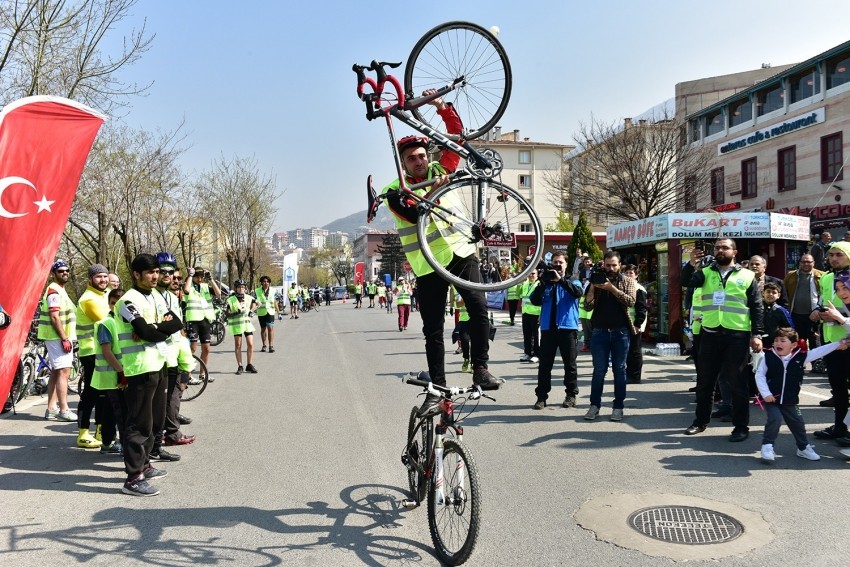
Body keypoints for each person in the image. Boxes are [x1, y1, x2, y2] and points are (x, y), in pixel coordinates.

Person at [378, 90, 503, 417]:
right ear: (403, 164)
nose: (419, 161)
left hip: (461, 252)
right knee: (432, 328)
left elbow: (457, 141)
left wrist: (440, 107)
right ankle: (437, 388)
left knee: (478, 309)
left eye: (422, 156)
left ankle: (481, 369)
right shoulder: (393, 191)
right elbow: (415, 214)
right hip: (427, 266)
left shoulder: (438, 168)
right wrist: (435, 188)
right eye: (412, 159)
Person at [115, 253, 184, 496]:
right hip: (140, 367)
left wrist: (155, 327)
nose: (156, 276)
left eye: (157, 271)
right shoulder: (126, 301)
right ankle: (133, 478)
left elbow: (176, 322)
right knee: (138, 424)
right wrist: (155, 328)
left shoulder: (156, 295)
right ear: (136, 274)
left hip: (159, 363)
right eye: (150, 272)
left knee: (154, 420)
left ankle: (145, 465)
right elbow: (144, 332)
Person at [682, 238, 764, 442]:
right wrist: (691, 264)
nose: (721, 250)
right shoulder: (706, 272)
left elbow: (756, 306)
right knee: (705, 382)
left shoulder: (747, 275)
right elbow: (686, 283)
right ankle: (700, 421)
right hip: (710, 333)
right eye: (718, 247)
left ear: (734, 252)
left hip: (737, 334)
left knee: (738, 383)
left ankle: (741, 427)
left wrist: (757, 334)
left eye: (725, 247)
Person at [756, 327, 849, 463]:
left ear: (793, 345)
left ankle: (803, 447)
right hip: (771, 399)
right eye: (776, 340)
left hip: (790, 400)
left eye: (783, 341)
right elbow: (760, 375)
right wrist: (766, 394)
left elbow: (819, 351)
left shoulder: (801, 356)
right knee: (774, 420)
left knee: (798, 423)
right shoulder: (768, 356)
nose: (778, 344)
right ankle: (767, 446)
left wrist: (837, 344)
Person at [583, 251, 636, 421]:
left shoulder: (627, 281)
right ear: (603, 264)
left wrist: (611, 288)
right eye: (608, 265)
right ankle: (594, 406)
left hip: (621, 332)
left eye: (614, 265)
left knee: (619, 370)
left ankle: (618, 407)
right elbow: (588, 306)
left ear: (620, 265)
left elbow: (631, 301)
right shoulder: (596, 280)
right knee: (599, 370)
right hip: (599, 332)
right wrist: (592, 286)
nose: (611, 268)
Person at [152, 255, 195, 459]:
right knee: (158, 404)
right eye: (163, 271)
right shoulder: (150, 295)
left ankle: (163, 440)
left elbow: (177, 330)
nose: (168, 275)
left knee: (169, 399)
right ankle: (157, 444)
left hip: (173, 356)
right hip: (157, 358)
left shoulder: (170, 295)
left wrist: (186, 362)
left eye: (172, 272)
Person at [529, 252, 583, 409]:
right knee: (545, 365)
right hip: (548, 330)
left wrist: (561, 281)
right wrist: (542, 282)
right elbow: (534, 300)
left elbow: (577, 293)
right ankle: (541, 397)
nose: (558, 265)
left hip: (567, 329)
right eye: (555, 262)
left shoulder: (574, 281)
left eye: (561, 262)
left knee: (570, 365)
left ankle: (571, 395)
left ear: (566, 264)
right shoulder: (546, 283)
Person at [811, 246, 850, 445]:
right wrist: (817, 313)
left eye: (839, 255)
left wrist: (839, 318)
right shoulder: (826, 278)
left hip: (848, 340)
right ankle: (840, 427)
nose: (834, 259)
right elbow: (822, 303)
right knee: (838, 388)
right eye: (831, 255)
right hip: (832, 342)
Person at [74, 264, 111, 448]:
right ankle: (82, 433)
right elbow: (106, 320)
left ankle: (100, 430)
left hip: (100, 351)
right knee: (90, 392)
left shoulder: (103, 295)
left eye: (105, 276)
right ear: (90, 280)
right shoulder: (88, 298)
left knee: (103, 393)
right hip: (90, 351)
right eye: (99, 277)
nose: (103, 280)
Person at [38, 260, 78, 422]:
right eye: (61, 271)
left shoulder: (60, 290)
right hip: (57, 337)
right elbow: (54, 317)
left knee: (56, 371)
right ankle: (64, 409)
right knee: (64, 372)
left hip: (57, 337)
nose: (65, 273)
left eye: (67, 270)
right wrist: (64, 338)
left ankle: (51, 408)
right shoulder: (54, 291)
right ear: (53, 274)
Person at [92, 288, 127, 455]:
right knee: (120, 413)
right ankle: (126, 448)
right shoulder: (106, 323)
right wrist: (121, 372)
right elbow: (107, 352)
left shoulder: (125, 322)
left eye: (119, 303)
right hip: (113, 376)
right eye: (113, 303)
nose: (116, 307)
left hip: (121, 375)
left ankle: (107, 443)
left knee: (110, 410)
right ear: (109, 304)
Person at [182, 266, 221, 379]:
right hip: (193, 320)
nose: (200, 279)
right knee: (193, 348)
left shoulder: (205, 286)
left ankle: (202, 374)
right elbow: (186, 291)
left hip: (205, 320)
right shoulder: (189, 285)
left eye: (202, 277)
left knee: (206, 349)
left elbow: (218, 293)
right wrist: (190, 275)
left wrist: (211, 279)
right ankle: (188, 375)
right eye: (197, 277)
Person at [784, 253, 823, 353]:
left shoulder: (822, 276)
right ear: (800, 263)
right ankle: (798, 365)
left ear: (813, 263)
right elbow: (784, 293)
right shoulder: (791, 276)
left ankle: (817, 366)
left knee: (815, 342)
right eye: (803, 262)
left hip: (814, 316)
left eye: (808, 262)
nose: (806, 264)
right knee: (797, 342)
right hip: (795, 315)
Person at [227, 279, 258, 375]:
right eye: (239, 287)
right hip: (237, 325)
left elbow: (257, 303)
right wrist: (236, 313)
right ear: (236, 288)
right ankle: (240, 366)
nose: (241, 289)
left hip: (247, 324)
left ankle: (249, 364)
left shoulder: (248, 297)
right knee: (238, 345)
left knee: (250, 344)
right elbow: (227, 314)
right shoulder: (230, 299)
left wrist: (251, 311)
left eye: (243, 287)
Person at [623, 264, 647, 385]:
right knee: (627, 350)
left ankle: (635, 376)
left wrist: (638, 324)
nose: (628, 275)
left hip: (636, 324)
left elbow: (642, 309)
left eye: (631, 273)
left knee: (635, 350)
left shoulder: (639, 289)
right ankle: (629, 373)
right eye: (626, 273)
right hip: (626, 324)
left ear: (636, 275)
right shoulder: (625, 287)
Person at [519, 270, 541, 363]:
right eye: (529, 273)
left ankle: (537, 354)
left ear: (537, 275)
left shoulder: (539, 284)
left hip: (536, 313)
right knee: (527, 334)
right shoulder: (525, 283)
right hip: (526, 312)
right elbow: (522, 297)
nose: (531, 275)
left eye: (533, 273)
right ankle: (527, 353)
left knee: (536, 336)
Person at [452, 289, 473, 373]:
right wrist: (468, 298)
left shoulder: (477, 288)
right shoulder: (461, 291)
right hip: (464, 321)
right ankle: (466, 359)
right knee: (464, 340)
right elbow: (458, 304)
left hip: (475, 320)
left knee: (475, 342)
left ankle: (473, 364)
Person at [255, 276, 276, 353]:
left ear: (269, 283)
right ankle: (264, 345)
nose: (265, 283)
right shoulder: (257, 291)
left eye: (267, 281)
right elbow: (254, 301)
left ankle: (271, 346)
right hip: (261, 313)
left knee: (270, 328)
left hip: (270, 312)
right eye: (264, 281)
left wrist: (279, 312)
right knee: (263, 329)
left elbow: (275, 301)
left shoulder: (273, 290)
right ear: (261, 283)